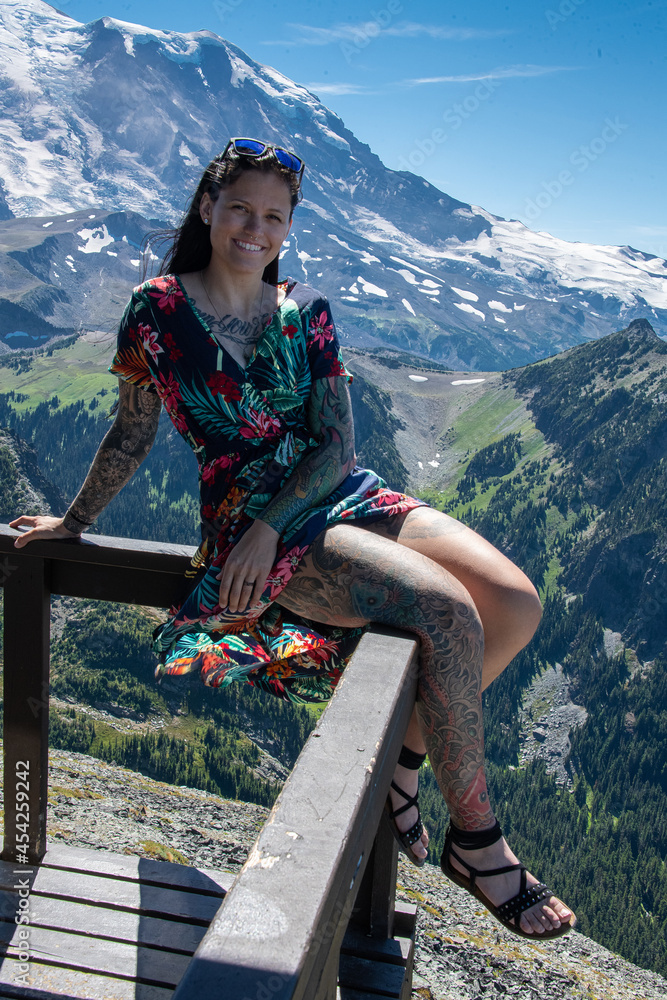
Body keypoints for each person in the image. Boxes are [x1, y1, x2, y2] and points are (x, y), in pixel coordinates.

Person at [11, 138, 575, 939]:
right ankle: (478, 842)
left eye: (274, 215)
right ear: (208, 206)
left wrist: (279, 526)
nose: (255, 227)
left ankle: (400, 771)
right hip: (245, 519)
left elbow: (336, 445)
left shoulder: (303, 309)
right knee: (445, 611)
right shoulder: (157, 310)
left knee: (514, 604)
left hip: (329, 497)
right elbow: (131, 432)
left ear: (288, 226)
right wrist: (74, 524)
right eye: (240, 207)